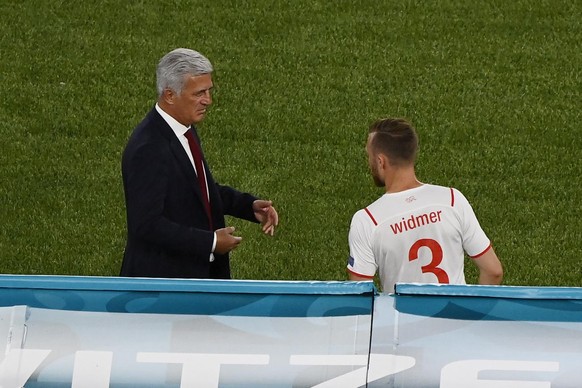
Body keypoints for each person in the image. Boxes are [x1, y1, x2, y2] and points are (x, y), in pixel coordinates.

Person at [120, 48, 278, 279]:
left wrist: (248, 206)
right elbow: (146, 225)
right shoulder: (149, 148)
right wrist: (211, 242)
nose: (208, 100)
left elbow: (198, 189)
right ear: (170, 95)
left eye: (208, 91)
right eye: (199, 93)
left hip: (192, 280)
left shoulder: (184, 129)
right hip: (164, 288)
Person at [347, 118, 502, 292]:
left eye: (369, 157)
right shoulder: (452, 200)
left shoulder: (368, 220)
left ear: (381, 161)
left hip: (402, 319)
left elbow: (360, 295)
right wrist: (471, 316)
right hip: (455, 317)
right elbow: (493, 271)